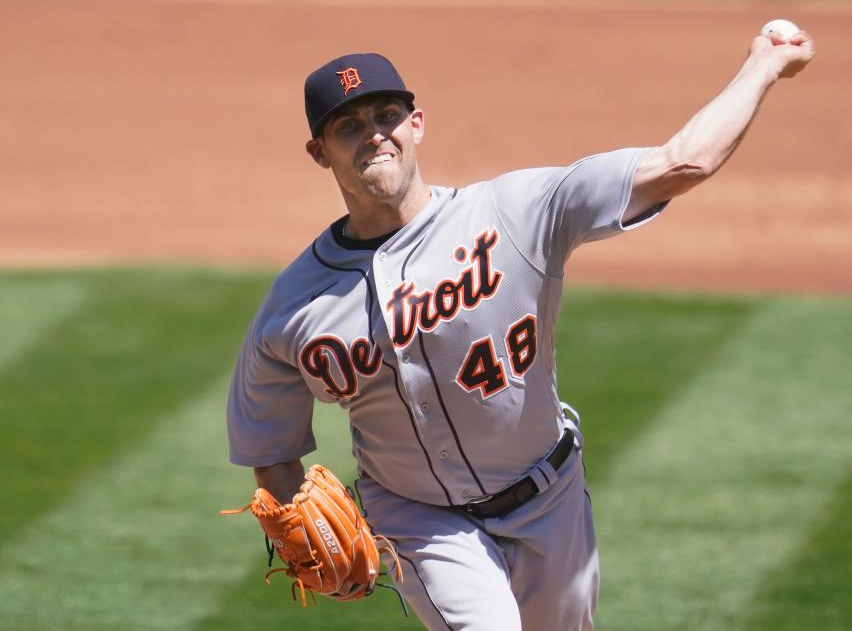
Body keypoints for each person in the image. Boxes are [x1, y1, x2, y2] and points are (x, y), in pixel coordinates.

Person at [227, 31, 814, 630]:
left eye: (387, 115)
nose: (375, 133)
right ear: (320, 152)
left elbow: (683, 162)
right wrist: (303, 528)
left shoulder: (515, 211)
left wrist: (764, 64)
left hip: (551, 501)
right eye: (348, 126)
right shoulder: (294, 306)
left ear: (417, 123)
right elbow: (270, 453)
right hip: (419, 520)